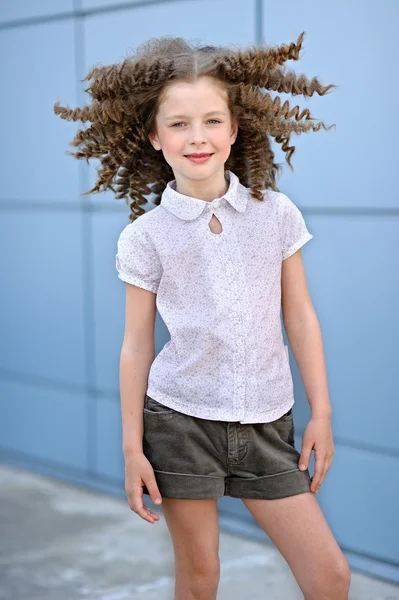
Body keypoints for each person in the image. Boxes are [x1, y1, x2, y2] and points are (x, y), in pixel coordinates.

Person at [54, 33, 351, 600]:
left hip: (268, 421)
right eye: (179, 123)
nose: (198, 137)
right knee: (200, 576)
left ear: (235, 128)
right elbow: (136, 346)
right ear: (153, 136)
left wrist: (323, 413)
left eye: (213, 120)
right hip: (179, 424)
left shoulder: (277, 214)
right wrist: (132, 449)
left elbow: (301, 316)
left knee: (330, 574)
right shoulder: (144, 237)